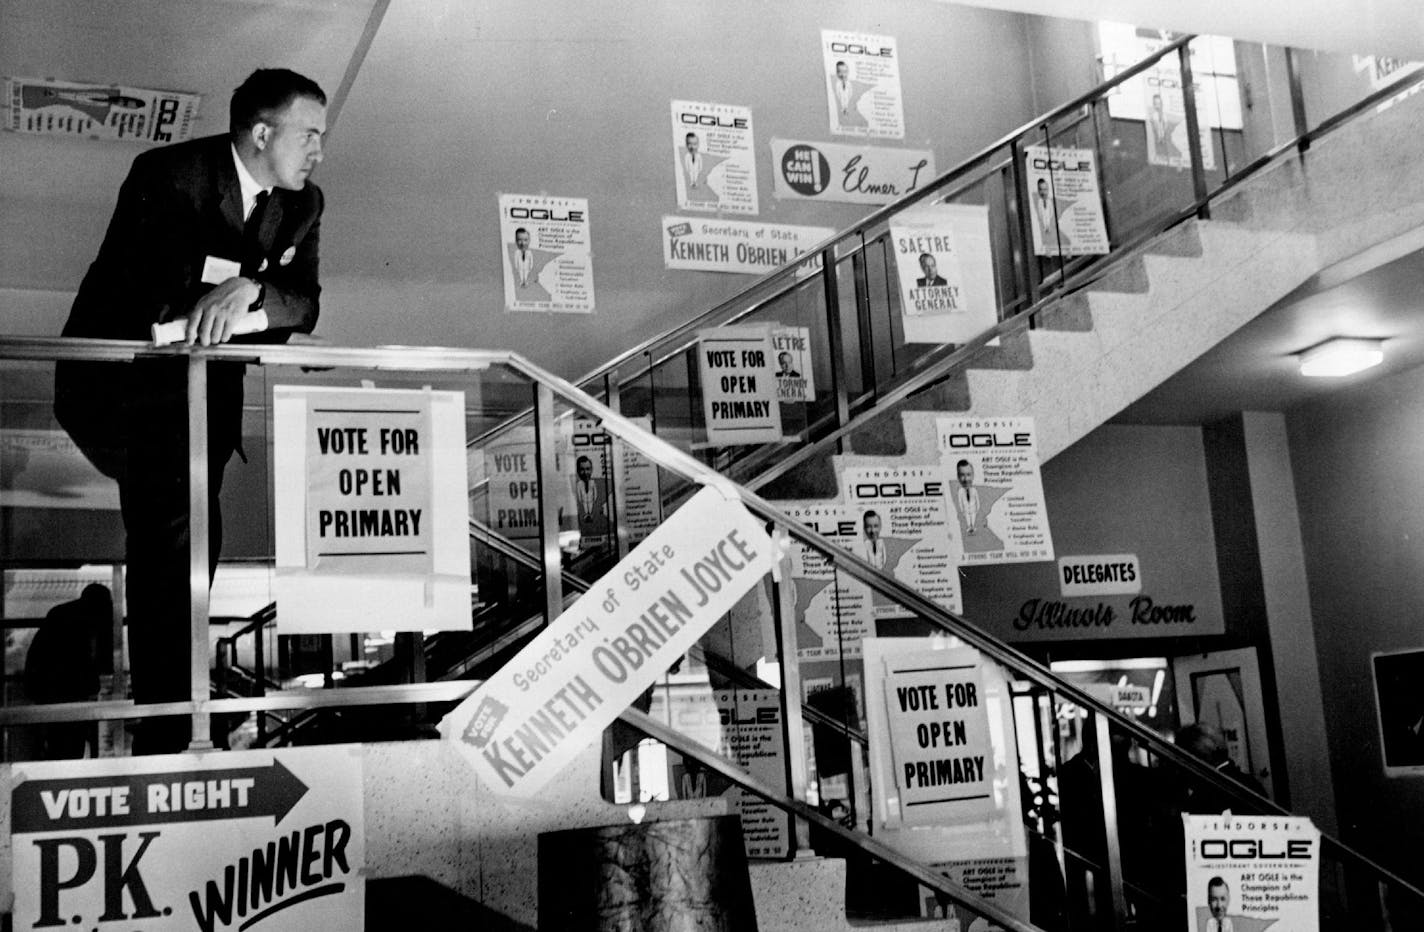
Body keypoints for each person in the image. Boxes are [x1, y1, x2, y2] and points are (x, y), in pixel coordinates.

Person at [54, 68, 328, 753]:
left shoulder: (303, 204)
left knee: (191, 553)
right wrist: (242, 295)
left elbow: (304, 302)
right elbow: (159, 296)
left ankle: (174, 721)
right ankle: (170, 732)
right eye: (310, 134)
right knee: (176, 547)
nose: (320, 150)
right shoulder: (169, 174)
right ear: (262, 133)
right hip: (124, 390)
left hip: (201, 397)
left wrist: (251, 289)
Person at [25, 584, 111, 759]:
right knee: (69, 744)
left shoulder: (62, 615)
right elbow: (83, 662)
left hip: (50, 693)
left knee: (59, 744)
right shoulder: (81, 622)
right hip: (66, 694)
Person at [1032, 178, 1061, 248]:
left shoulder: (1050, 202)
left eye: (1045, 190)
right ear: (1038, 191)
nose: (1043, 192)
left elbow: (1051, 213)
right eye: (1040, 189)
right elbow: (1039, 215)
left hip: (1049, 227)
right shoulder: (1038, 202)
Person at [954, 459, 980, 534]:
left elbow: (977, 500)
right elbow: (960, 502)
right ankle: (969, 527)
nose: (966, 479)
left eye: (968, 475)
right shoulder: (960, 491)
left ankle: (973, 527)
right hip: (966, 510)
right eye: (962, 475)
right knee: (968, 519)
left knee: (973, 518)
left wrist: (977, 508)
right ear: (958, 476)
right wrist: (962, 510)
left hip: (973, 509)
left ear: (973, 475)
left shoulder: (974, 490)